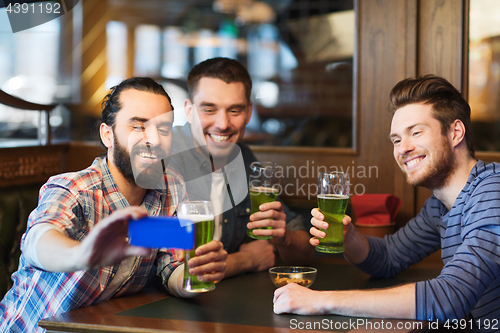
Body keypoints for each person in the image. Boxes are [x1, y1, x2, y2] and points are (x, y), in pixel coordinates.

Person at [0, 77, 227, 332]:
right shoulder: (74, 189)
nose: (154, 139)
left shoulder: (171, 189)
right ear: (108, 135)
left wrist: (193, 277)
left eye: (163, 129)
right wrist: (82, 254)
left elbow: (171, 266)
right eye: (138, 126)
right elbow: (38, 241)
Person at [273, 75, 500, 327]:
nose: (403, 148)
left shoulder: (492, 192)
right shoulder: (439, 207)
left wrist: (320, 301)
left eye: (416, 132)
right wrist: (350, 236)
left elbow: (451, 297)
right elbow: (388, 258)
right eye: (396, 140)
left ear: (455, 132)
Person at [171, 57, 314, 278]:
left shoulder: (243, 158)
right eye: (209, 109)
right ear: (189, 110)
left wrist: (283, 239)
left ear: (248, 112)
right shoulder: (166, 159)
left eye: (234, 111)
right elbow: (166, 263)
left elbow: (304, 252)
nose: (223, 124)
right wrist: (245, 260)